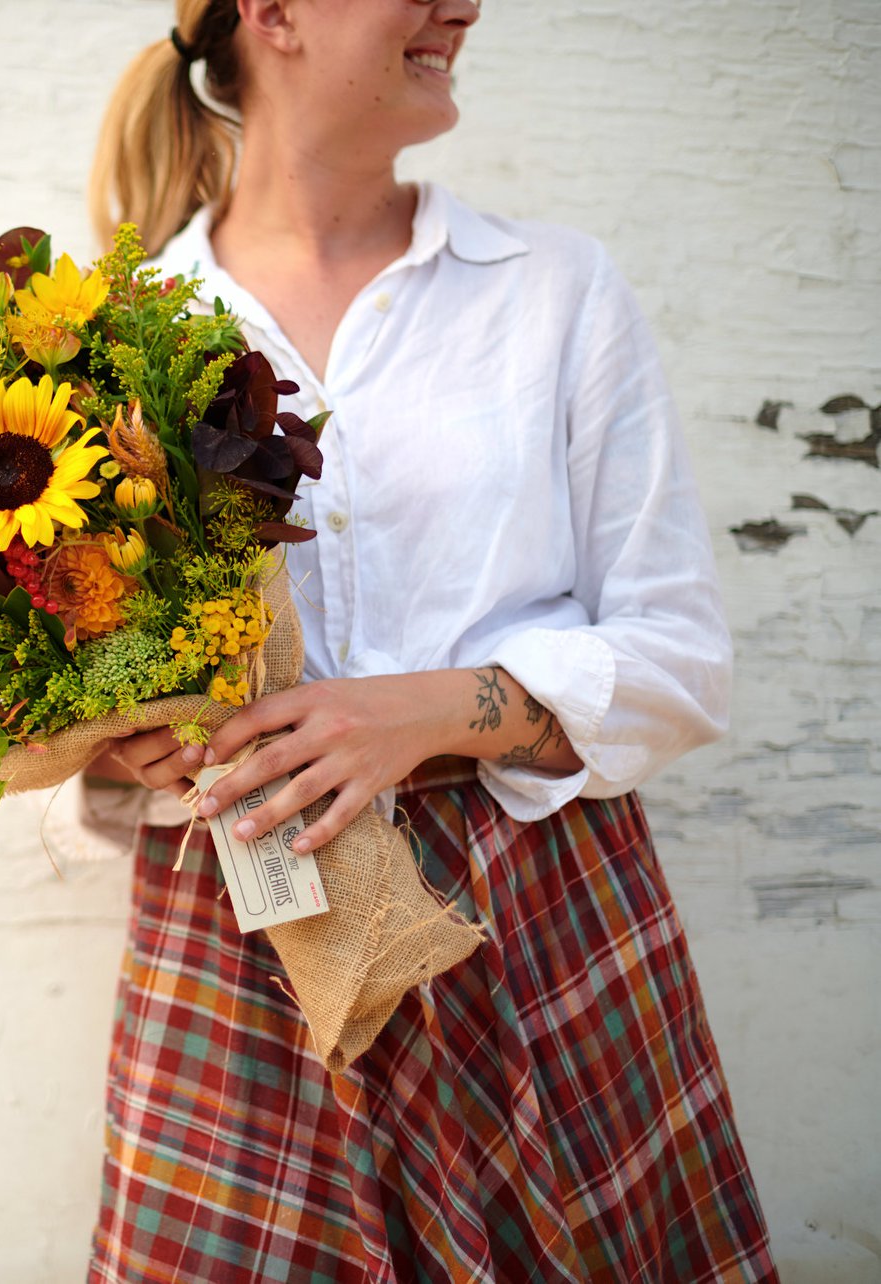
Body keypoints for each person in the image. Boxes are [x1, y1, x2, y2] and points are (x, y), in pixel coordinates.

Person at [75, 1, 780, 1279]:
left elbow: (676, 657)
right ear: (273, 12)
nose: (461, 5)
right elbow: (78, 660)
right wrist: (118, 743)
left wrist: (416, 712)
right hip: (235, 925)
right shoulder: (113, 335)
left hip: (534, 911)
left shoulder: (553, 292)